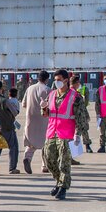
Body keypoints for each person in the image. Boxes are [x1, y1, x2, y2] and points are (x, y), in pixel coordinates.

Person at [41, 69, 86, 200]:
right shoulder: (52, 95)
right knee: (49, 159)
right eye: (55, 80)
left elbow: (81, 117)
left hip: (66, 134)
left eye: (59, 80)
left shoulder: (75, 97)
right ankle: (58, 181)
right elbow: (46, 114)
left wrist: (78, 134)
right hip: (51, 132)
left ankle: (63, 187)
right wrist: (43, 107)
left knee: (64, 163)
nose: (57, 82)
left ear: (66, 80)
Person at [22, 70, 50, 174]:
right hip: (43, 120)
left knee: (31, 143)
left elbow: (23, 104)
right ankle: (45, 166)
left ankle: (27, 159)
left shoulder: (29, 88)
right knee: (46, 144)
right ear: (47, 79)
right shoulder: (48, 90)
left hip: (30, 119)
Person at [0, 80, 20, 175]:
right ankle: (12, 168)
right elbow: (15, 112)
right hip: (7, 127)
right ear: (1, 88)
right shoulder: (5, 101)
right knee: (13, 147)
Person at [71, 76, 93, 154]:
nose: (79, 84)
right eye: (78, 82)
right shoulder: (71, 93)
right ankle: (73, 152)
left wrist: (86, 116)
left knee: (84, 131)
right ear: (76, 83)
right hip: (75, 118)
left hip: (81, 117)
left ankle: (87, 146)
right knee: (75, 135)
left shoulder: (77, 93)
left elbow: (83, 106)